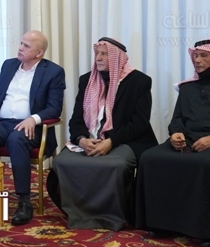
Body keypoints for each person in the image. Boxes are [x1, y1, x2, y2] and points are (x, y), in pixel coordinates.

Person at [136, 39, 210, 247]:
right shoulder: (188, 87)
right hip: (189, 140)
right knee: (150, 158)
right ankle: (161, 223)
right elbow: (177, 119)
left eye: (203, 56)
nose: (197, 60)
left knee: (206, 164)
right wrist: (175, 133)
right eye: (195, 56)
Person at [50, 37, 155, 230]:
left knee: (116, 164)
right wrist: (81, 139)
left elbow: (139, 123)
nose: (98, 58)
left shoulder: (139, 81)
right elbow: (76, 119)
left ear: (117, 57)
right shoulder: (87, 80)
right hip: (90, 138)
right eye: (96, 53)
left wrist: (111, 141)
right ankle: (79, 212)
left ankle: (114, 215)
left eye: (104, 54)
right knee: (61, 161)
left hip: (126, 140)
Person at [0, 30, 66, 226]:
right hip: (2, 123)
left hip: (31, 127)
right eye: (21, 43)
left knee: (16, 140)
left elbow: (54, 107)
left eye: (26, 46)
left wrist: (33, 119)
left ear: (39, 53)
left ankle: (24, 201)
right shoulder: (9, 65)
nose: (20, 48)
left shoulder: (53, 72)